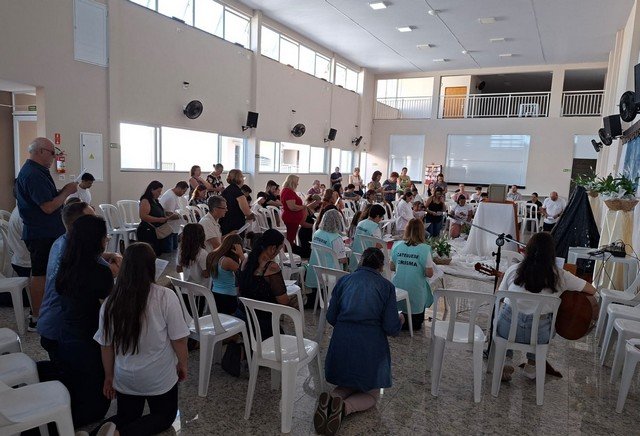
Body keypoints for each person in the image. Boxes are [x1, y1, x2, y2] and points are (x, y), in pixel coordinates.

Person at [94, 242, 189, 436]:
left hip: (125, 378)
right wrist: (183, 364)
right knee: (164, 416)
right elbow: (178, 340)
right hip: (158, 377)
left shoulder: (111, 302)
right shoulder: (165, 296)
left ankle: (93, 434)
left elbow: (106, 345)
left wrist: (109, 376)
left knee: (127, 416)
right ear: (151, 267)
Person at [315, 247, 402, 435]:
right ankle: (344, 408)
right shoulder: (386, 287)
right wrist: (400, 320)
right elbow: (391, 328)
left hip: (341, 345)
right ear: (381, 266)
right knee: (372, 394)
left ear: (361, 261)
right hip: (369, 347)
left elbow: (331, 316)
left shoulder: (344, 280)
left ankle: (331, 399)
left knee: (346, 383)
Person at [497, 232, 596, 381]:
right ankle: (532, 364)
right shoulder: (561, 275)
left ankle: (506, 359)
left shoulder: (514, 270)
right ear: (551, 254)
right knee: (546, 320)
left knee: (506, 312)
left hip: (507, 331)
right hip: (538, 335)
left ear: (528, 250)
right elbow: (592, 290)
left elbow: (499, 297)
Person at [38, 202, 122, 367]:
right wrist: (116, 266)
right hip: (63, 332)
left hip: (51, 324)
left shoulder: (63, 243)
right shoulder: (83, 263)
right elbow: (108, 279)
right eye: (91, 218)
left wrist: (110, 254)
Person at [55, 215, 114, 427]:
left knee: (76, 389)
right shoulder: (100, 271)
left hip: (66, 338)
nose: (106, 240)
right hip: (90, 342)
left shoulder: (66, 264)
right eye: (105, 236)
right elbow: (109, 311)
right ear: (97, 240)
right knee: (95, 409)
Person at [15, 137, 78, 330]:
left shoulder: (38, 172)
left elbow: (47, 198)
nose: (54, 157)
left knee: (48, 272)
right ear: (40, 151)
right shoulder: (33, 174)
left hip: (46, 231)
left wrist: (61, 191)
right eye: (53, 153)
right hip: (41, 233)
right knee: (40, 273)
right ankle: (37, 317)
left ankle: (46, 311)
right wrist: (67, 192)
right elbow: (48, 207)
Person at [236, 229, 298, 339]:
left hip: (243, 316)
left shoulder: (246, 261)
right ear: (273, 248)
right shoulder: (271, 267)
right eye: (279, 249)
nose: (278, 253)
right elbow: (283, 301)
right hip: (263, 322)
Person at [391, 219, 434, 331]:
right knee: (416, 323)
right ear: (421, 232)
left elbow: (392, 267)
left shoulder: (397, 245)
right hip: (415, 290)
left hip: (398, 288)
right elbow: (429, 274)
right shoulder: (424, 249)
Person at [305, 209, 348, 289]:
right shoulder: (336, 238)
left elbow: (313, 249)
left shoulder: (317, 233)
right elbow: (342, 259)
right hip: (331, 274)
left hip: (316, 270)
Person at [137, 181, 178, 255]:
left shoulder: (155, 201)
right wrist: (159, 220)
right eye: (158, 191)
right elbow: (143, 216)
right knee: (161, 251)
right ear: (152, 190)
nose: (160, 194)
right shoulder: (145, 200)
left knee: (171, 248)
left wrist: (167, 216)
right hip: (149, 230)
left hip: (160, 229)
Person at [207, 233, 244, 315]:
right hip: (228, 296)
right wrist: (241, 255)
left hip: (215, 293)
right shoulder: (227, 261)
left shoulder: (212, 255)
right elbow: (246, 273)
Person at [351, 204, 385, 269]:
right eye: (381, 217)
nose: (381, 219)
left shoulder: (360, 223)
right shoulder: (375, 228)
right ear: (377, 216)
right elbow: (378, 246)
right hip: (369, 260)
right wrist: (384, 243)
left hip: (356, 257)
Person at [220, 169, 254, 235]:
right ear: (239, 178)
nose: (243, 180)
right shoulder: (238, 193)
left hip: (224, 223)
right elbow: (247, 213)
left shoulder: (226, 190)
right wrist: (254, 215)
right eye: (243, 177)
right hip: (235, 225)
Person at [281, 174, 311, 246]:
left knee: (291, 238)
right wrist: (303, 207)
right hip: (291, 218)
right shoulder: (288, 192)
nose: (298, 184)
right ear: (292, 182)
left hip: (293, 218)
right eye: (297, 181)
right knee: (290, 239)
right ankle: (288, 251)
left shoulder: (288, 191)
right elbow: (292, 207)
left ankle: (290, 250)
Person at [177, 223, 209, 287]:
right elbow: (206, 275)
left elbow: (178, 270)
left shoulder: (181, 251)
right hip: (200, 289)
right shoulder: (202, 253)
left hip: (186, 288)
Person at [297, 194, 321, 259]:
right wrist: (314, 226)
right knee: (307, 254)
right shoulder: (305, 209)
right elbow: (302, 223)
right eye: (317, 203)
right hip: (305, 233)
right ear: (312, 201)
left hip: (310, 233)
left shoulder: (314, 210)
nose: (318, 205)